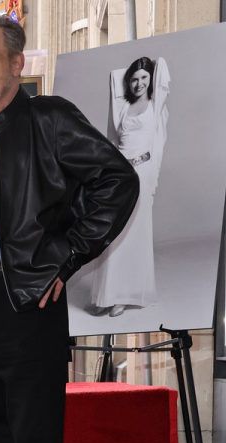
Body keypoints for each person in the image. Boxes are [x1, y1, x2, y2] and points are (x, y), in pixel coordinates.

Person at [0, 13, 139, 443]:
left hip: (27, 300)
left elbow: (118, 181)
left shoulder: (47, 118)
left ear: (16, 62)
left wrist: (66, 256)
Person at [90, 56, 170, 317]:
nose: (138, 83)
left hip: (143, 172)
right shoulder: (122, 107)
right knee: (115, 230)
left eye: (144, 78)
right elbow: (113, 141)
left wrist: (154, 178)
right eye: (134, 79)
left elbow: (162, 72)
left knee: (135, 232)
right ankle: (107, 294)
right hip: (121, 174)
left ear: (151, 80)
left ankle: (125, 296)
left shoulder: (157, 107)